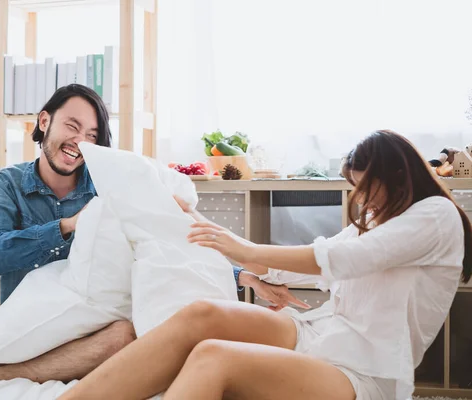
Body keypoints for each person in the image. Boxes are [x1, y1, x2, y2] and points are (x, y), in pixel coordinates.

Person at [0, 84, 300, 387]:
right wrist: (67, 226)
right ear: (44, 122)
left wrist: (240, 276)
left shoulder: (107, 184)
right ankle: (5, 363)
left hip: (87, 332)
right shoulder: (7, 182)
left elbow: (163, 243)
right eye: (72, 126)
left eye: (93, 136)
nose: (79, 142)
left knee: (129, 334)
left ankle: (3, 375)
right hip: (19, 325)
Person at [58, 130, 472, 400]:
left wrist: (248, 250)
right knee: (203, 314)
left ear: (399, 174)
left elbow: (344, 259)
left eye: (366, 188)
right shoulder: (385, 218)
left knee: (213, 357)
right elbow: (321, 253)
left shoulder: (436, 216)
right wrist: (207, 228)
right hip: (326, 334)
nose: (362, 201)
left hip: (365, 374)